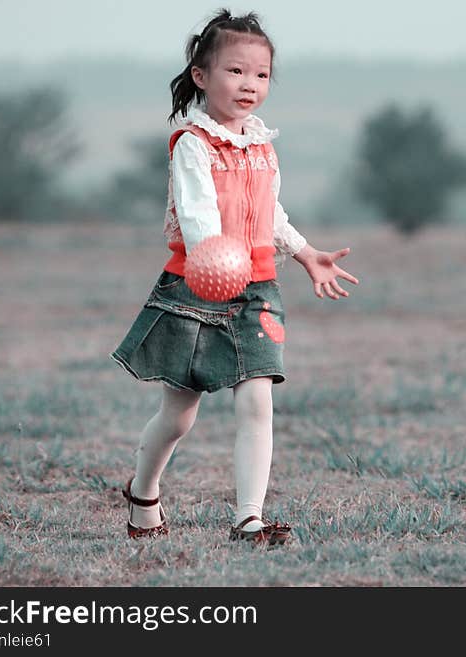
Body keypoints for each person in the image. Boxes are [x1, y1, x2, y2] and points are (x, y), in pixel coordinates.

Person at [109, 9, 358, 546]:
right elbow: (197, 213)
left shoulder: (262, 144)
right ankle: (143, 491)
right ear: (201, 75)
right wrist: (214, 260)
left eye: (262, 74)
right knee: (179, 415)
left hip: (258, 290)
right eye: (236, 71)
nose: (250, 84)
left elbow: (271, 214)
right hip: (195, 289)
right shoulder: (193, 143)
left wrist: (305, 253)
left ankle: (249, 519)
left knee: (257, 401)